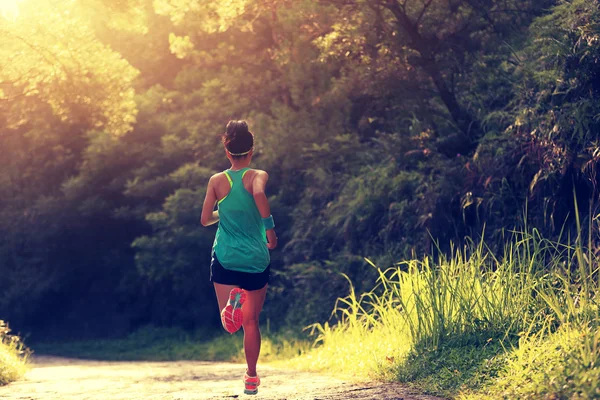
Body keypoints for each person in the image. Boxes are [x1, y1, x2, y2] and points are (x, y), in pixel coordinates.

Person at [200, 120, 277, 396]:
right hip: (255, 259)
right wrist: (270, 231)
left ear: (227, 151)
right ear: (251, 150)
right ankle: (252, 377)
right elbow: (258, 194)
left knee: (229, 323)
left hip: (225, 258)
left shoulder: (217, 181)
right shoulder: (258, 174)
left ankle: (232, 303)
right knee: (251, 322)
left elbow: (205, 219)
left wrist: (226, 211)